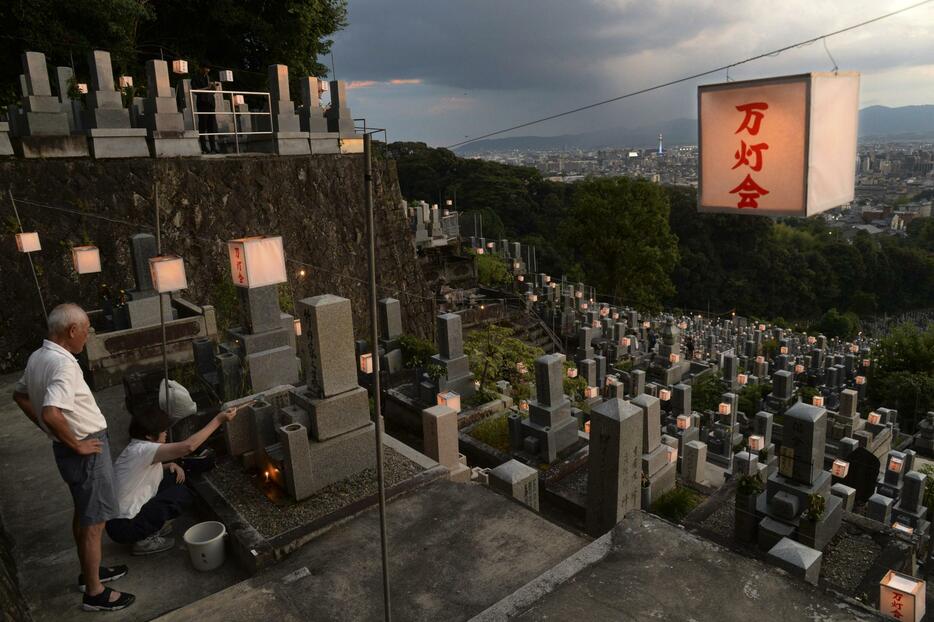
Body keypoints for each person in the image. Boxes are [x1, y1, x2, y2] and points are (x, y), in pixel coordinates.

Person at [12, 303, 135, 612]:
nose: (87, 336)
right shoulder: (65, 365)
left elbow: (21, 395)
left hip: (70, 446)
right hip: (85, 448)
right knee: (95, 521)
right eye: (86, 330)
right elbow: (52, 413)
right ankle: (95, 592)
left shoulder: (39, 356)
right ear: (71, 331)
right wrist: (76, 443)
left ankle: (89, 575)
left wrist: (50, 430)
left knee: (83, 512)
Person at [106, 405, 237, 554]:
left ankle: (150, 525)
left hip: (116, 521)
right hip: (123, 527)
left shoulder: (136, 448)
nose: (166, 433)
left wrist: (169, 465)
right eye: (162, 430)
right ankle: (143, 541)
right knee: (181, 495)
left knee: (174, 477)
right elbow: (189, 446)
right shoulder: (144, 450)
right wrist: (219, 419)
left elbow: (137, 475)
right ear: (149, 435)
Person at [191, 63, 218, 154]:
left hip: (210, 103)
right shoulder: (195, 78)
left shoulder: (209, 78)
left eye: (208, 70)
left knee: (212, 126)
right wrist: (207, 88)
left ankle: (213, 147)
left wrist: (214, 88)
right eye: (205, 69)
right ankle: (204, 147)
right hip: (202, 103)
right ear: (201, 69)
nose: (207, 71)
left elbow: (212, 91)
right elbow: (195, 91)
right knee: (203, 126)